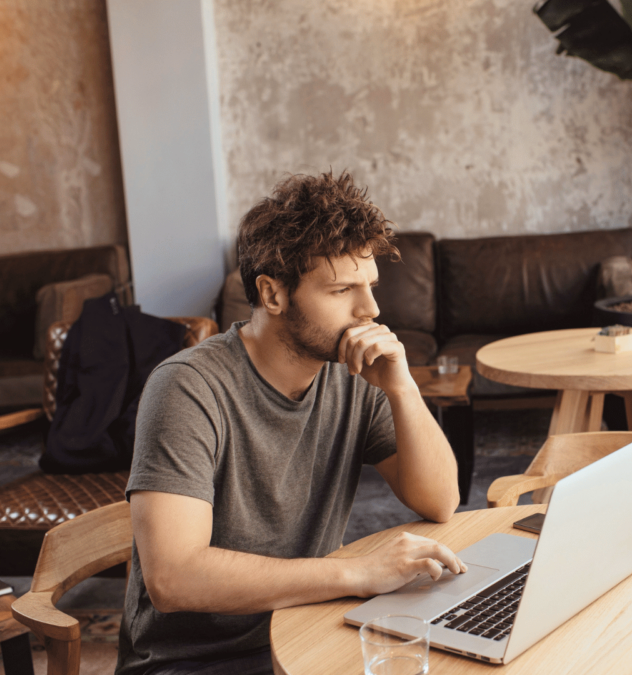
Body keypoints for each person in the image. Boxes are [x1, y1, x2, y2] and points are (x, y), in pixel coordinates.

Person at [117, 171, 466, 675]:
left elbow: (440, 500)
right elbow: (173, 579)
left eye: (369, 286)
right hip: (197, 662)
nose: (370, 309)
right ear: (273, 294)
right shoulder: (187, 388)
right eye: (343, 289)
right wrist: (358, 573)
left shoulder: (355, 373)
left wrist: (403, 388)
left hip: (311, 633)